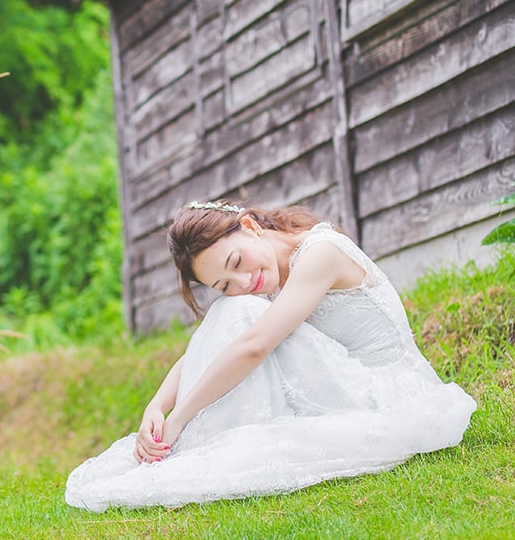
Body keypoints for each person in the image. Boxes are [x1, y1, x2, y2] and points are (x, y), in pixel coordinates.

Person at [65, 200, 476, 512]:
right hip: (346, 382)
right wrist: (156, 406)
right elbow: (211, 345)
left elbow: (254, 345)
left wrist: (179, 419)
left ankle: (182, 442)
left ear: (248, 226)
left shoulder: (320, 252)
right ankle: (179, 442)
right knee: (236, 310)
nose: (245, 281)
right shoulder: (263, 281)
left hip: (385, 392)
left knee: (241, 312)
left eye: (237, 262)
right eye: (225, 284)